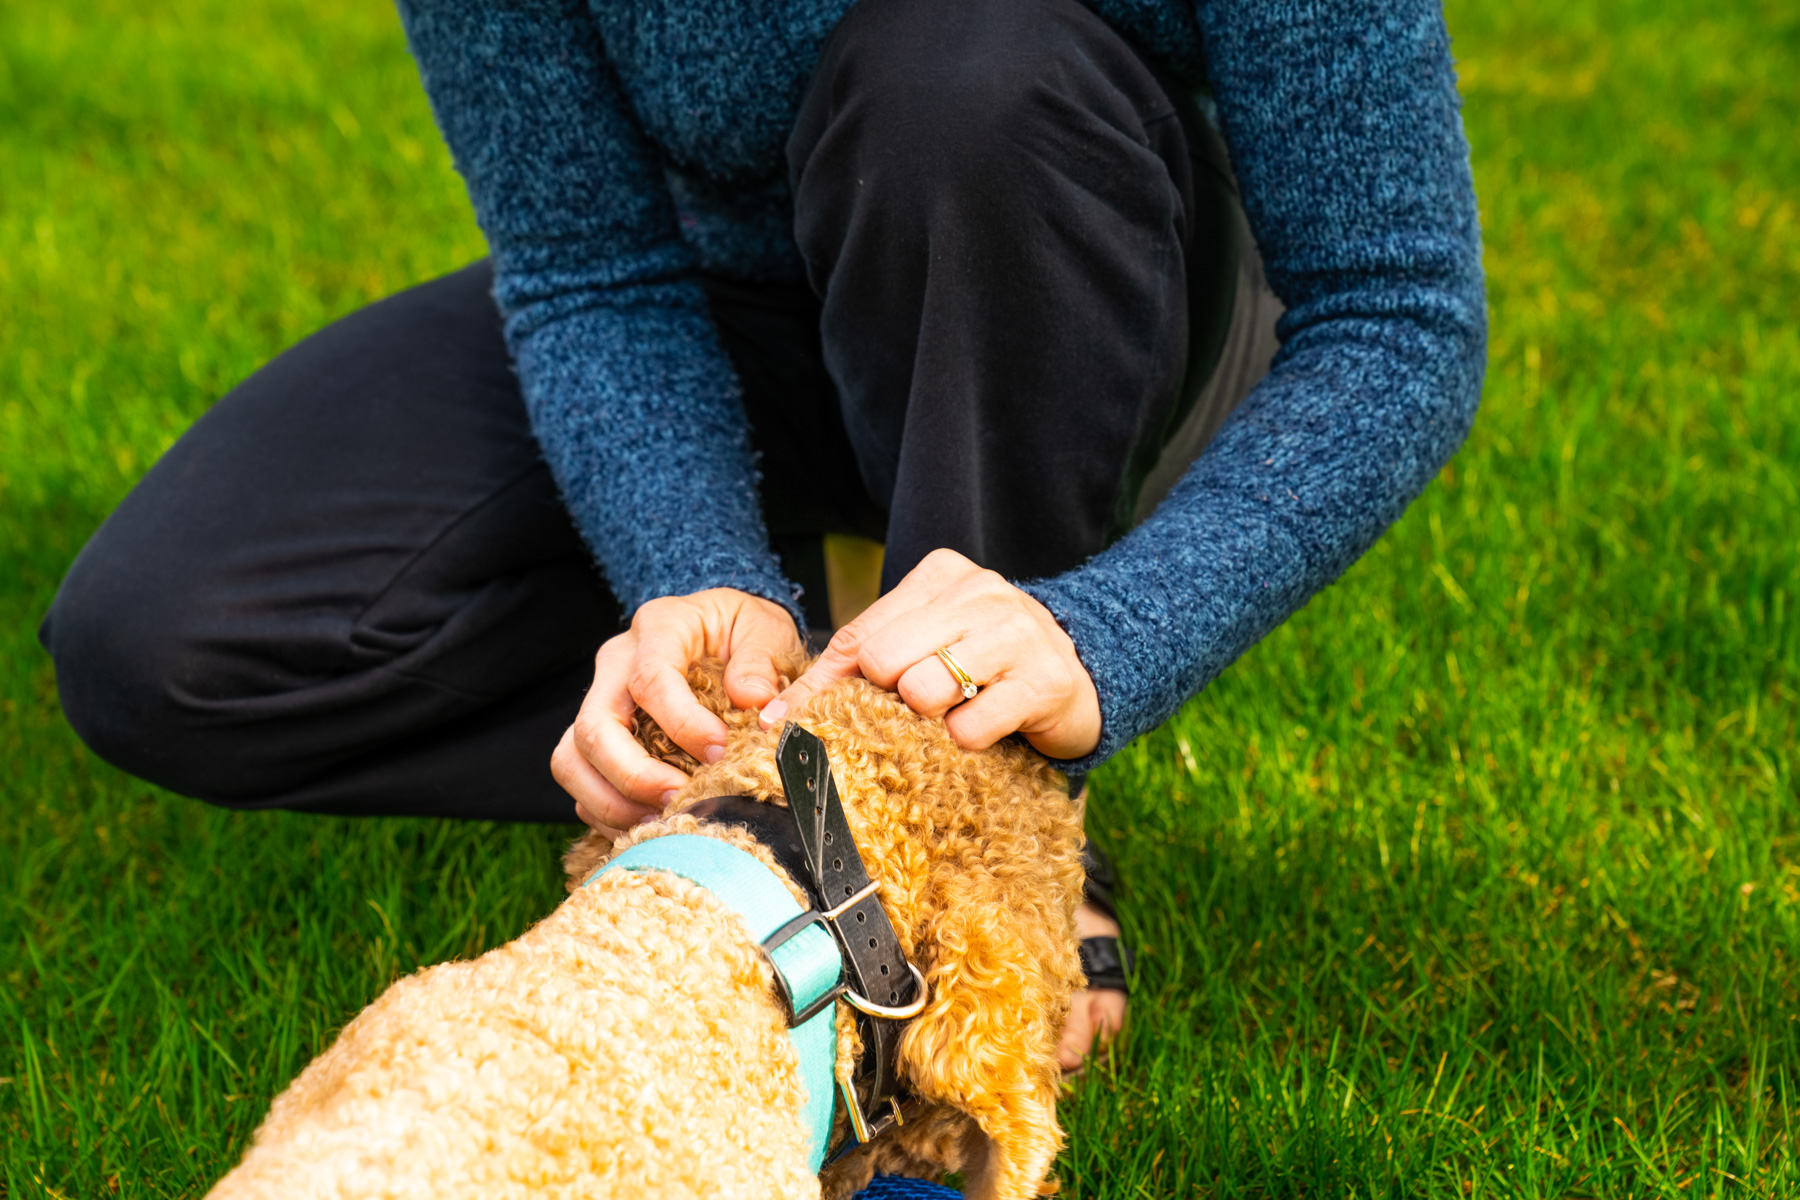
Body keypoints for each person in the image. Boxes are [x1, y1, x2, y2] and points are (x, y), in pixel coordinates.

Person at [39, 0, 1486, 1078]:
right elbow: (591, 267)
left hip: (1079, 281)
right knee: (170, 643)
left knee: (964, 76)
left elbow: (1398, 308)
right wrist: (693, 578)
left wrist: (1107, 631)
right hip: (727, 304)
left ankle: (1003, 815)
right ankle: (786, 750)